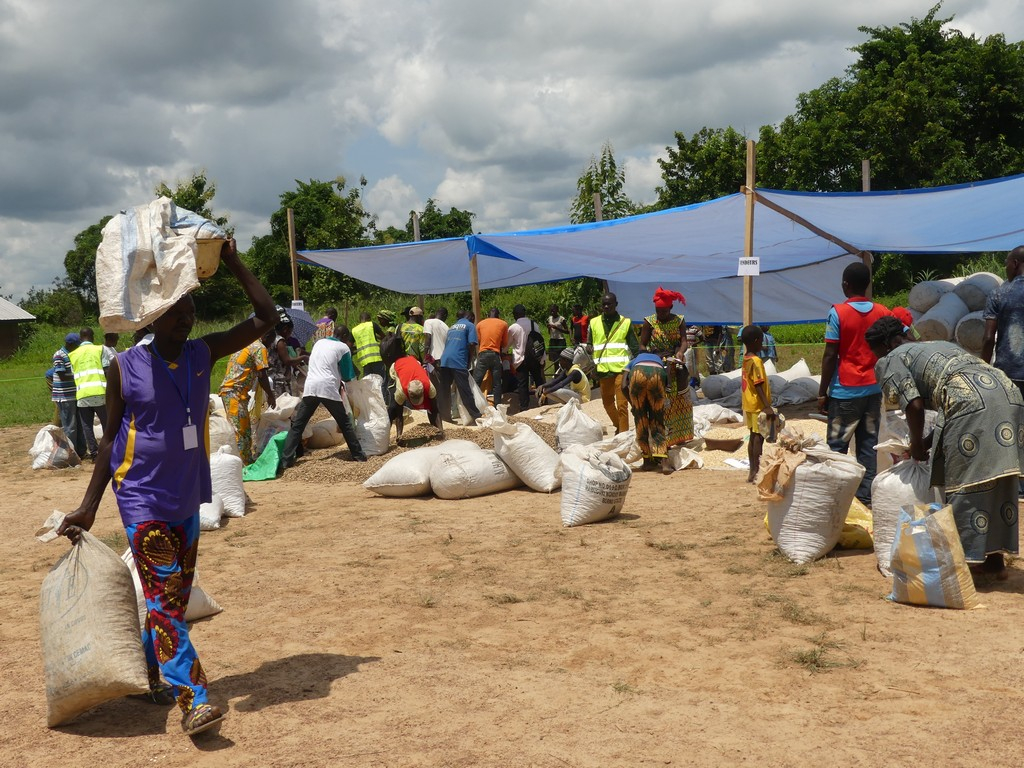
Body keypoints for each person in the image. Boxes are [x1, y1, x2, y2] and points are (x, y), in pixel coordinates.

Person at [57, 238, 278, 737]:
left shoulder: (203, 354)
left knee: (171, 602)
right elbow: (109, 437)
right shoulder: (124, 367)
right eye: (175, 312)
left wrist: (235, 260)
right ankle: (194, 698)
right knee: (162, 598)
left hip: (185, 495)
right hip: (141, 497)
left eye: (191, 309)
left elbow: (265, 315)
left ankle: (146, 672)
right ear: (151, 319)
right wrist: (89, 506)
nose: (186, 319)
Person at [867, 315, 1023, 581]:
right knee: (998, 476)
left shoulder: (891, 358)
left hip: (972, 402)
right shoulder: (936, 344)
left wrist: (916, 447)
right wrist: (924, 445)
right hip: (1008, 395)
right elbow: (945, 416)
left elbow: (913, 404)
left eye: (876, 351)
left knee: (962, 483)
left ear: (888, 343)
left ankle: (963, 565)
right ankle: (995, 561)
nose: (877, 358)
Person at [817, 261, 891, 505]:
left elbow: (830, 355)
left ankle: (835, 500)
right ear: (868, 285)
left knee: (837, 449)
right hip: (873, 389)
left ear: (845, 285)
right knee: (868, 448)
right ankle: (865, 500)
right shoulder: (882, 312)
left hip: (845, 391)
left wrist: (822, 392)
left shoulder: (837, 312)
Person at [282, 331, 367, 467]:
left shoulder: (319, 343)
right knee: (345, 423)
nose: (350, 347)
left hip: (310, 386)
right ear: (344, 338)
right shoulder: (343, 348)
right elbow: (347, 376)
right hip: (327, 388)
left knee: (298, 425)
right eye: (350, 344)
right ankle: (358, 455)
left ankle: (285, 461)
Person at [639, 287, 693, 446]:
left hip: (675, 362)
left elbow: (684, 341)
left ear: (670, 308)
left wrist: (680, 353)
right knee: (662, 400)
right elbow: (642, 345)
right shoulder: (649, 322)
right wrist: (651, 357)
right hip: (657, 361)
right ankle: (663, 438)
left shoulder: (679, 320)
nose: (660, 314)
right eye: (658, 311)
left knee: (680, 397)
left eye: (663, 311)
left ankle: (681, 436)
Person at [219, 330, 278, 464]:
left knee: (244, 429)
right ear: (266, 337)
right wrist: (270, 395)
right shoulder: (259, 348)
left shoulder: (246, 344)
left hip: (234, 392)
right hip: (234, 392)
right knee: (240, 430)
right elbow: (262, 375)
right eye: (270, 342)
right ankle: (242, 464)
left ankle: (246, 459)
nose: (270, 346)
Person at [589, 293, 638, 433]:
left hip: (621, 370)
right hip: (603, 370)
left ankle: (623, 434)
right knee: (607, 403)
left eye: (609, 304)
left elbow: (634, 347)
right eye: (603, 304)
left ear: (616, 304)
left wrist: (638, 365)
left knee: (622, 404)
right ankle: (618, 425)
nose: (606, 306)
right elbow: (590, 343)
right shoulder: (594, 323)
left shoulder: (625, 322)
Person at [983, 245, 1024, 398]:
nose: (1006, 269)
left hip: (1010, 374)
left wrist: (983, 369)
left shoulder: (998, 294)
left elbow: (988, 339)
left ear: (1015, 263)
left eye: (1006, 264)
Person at [622, 351, 673, 474]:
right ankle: (664, 462)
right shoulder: (661, 361)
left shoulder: (632, 362)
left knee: (641, 421)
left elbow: (623, 386)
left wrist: (634, 405)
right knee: (657, 420)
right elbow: (668, 383)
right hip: (657, 374)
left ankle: (647, 461)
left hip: (637, 375)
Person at [68, 327, 109, 460]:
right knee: (106, 423)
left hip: (82, 394)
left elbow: (74, 374)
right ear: (93, 337)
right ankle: (109, 450)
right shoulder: (100, 349)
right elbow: (107, 370)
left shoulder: (73, 354)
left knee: (87, 426)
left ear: (80, 338)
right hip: (100, 392)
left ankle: (94, 453)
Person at [741, 326, 775, 483]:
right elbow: (759, 384)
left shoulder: (746, 358)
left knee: (752, 437)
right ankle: (756, 471)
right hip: (757, 405)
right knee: (758, 438)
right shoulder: (756, 361)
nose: (762, 343)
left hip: (748, 403)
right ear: (756, 341)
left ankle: (752, 469)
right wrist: (767, 406)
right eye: (761, 340)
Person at [390, 352, 444, 441]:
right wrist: (399, 436)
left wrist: (440, 430)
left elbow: (435, 409)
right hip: (397, 366)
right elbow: (399, 415)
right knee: (393, 407)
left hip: (414, 362)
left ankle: (436, 427)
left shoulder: (430, 387)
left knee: (431, 406)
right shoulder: (401, 392)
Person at [439, 310, 481, 423]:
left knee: (444, 390)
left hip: (445, 360)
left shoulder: (452, 326)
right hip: (458, 360)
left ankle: (444, 416)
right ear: (472, 317)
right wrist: (469, 360)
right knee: (465, 390)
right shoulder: (470, 325)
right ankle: (476, 416)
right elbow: (472, 343)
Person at [52, 332, 86, 458]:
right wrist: (79, 374)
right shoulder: (59, 355)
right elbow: (61, 375)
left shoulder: (73, 354)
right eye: (76, 345)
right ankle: (71, 453)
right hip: (65, 395)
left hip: (75, 394)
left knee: (79, 424)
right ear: (69, 344)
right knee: (70, 426)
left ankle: (81, 451)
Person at [512, 304, 546, 412]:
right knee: (538, 380)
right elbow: (540, 342)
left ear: (515, 315)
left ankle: (524, 408)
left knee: (522, 384)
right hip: (535, 358)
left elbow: (506, 345)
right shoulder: (534, 324)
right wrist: (542, 358)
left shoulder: (513, 327)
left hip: (520, 360)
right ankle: (543, 402)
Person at [473, 308, 509, 408]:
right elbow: (505, 343)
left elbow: (479, 340)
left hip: (483, 355)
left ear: (488, 314)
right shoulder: (503, 324)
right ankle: (497, 406)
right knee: (497, 383)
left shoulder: (480, 324)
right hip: (495, 355)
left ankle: (474, 405)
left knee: (476, 381)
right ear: (498, 315)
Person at [546, 304, 568, 371]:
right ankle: (556, 374)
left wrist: (557, 328)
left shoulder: (561, 319)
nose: (552, 312)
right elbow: (549, 332)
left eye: (553, 311)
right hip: (553, 340)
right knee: (554, 360)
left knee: (561, 359)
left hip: (560, 341)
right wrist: (549, 328)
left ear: (557, 310)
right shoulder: (549, 319)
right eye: (551, 311)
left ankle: (562, 373)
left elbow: (567, 331)